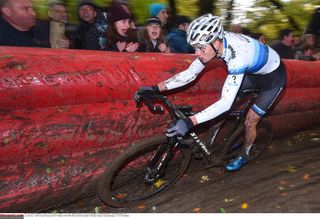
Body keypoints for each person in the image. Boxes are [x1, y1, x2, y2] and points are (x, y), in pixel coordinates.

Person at [135, 14, 287, 171]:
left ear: (216, 43)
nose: (197, 53)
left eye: (201, 49)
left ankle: (245, 154)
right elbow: (190, 73)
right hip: (253, 73)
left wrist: (189, 122)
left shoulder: (237, 57)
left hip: (273, 79)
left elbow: (226, 103)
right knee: (220, 111)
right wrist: (155, 88)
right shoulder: (213, 42)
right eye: (195, 48)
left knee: (249, 121)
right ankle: (212, 142)